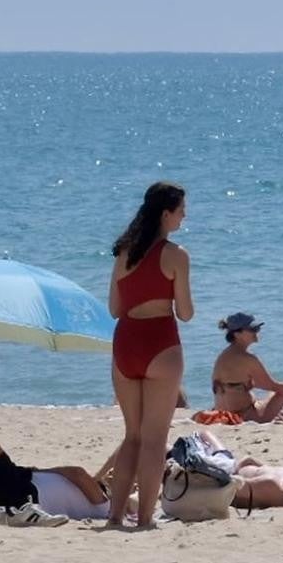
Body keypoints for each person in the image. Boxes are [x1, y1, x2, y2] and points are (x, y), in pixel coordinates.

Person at [106, 181, 194, 528]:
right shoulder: (176, 255)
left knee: (133, 436)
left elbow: (114, 307)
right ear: (165, 213)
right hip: (159, 343)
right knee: (155, 439)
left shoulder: (124, 252)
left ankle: (114, 515)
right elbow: (185, 313)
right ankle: (144, 518)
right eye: (180, 209)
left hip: (125, 343)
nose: (184, 215)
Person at [190, 431, 283, 510]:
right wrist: (250, 461)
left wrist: (238, 465)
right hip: (236, 466)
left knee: (203, 435)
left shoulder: (274, 487)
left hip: (223, 469)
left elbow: (231, 485)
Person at [212, 311, 283, 423]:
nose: (257, 332)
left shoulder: (225, 355)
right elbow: (273, 386)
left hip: (225, 413)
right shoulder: (248, 358)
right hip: (246, 416)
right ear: (237, 334)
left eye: (257, 328)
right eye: (252, 329)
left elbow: (261, 384)